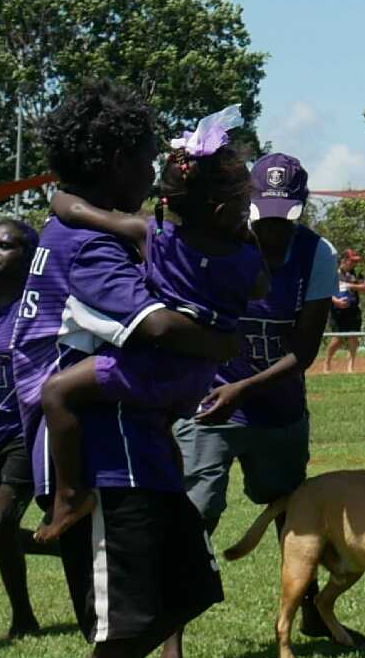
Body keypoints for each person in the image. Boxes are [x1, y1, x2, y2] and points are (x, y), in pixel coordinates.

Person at [0, 83, 237, 658]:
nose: (150, 170)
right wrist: (223, 341)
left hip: (135, 441)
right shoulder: (87, 246)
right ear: (112, 160)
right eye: (142, 155)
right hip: (102, 450)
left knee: (185, 590)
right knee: (123, 619)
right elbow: (152, 326)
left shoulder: (81, 223)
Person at [33, 126, 264, 552]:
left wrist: (59, 198)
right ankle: (175, 495)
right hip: (197, 378)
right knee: (161, 429)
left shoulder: (152, 236)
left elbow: (78, 211)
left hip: (151, 367)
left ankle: (68, 497)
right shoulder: (248, 259)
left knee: (57, 392)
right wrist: (238, 243)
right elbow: (260, 289)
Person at [160, 149, 339, 658]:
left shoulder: (316, 255)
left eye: (286, 217)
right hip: (210, 404)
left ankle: (306, 611)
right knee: (195, 514)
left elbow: (303, 352)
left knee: (292, 512)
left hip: (277, 409)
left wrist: (244, 388)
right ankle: (172, 645)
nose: (275, 229)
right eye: (265, 216)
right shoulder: (217, 248)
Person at [0, 216, 42, 638]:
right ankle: (23, 619)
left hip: (28, 432)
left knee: (0, 525)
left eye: (4, 246)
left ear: (28, 257)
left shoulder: (35, 309)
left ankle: (78, 549)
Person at [320, 248, 365, 370]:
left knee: (353, 338)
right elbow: (325, 291)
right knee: (338, 339)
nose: (354, 264)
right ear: (344, 260)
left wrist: (351, 285)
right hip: (338, 311)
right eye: (352, 261)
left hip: (353, 311)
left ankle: (350, 367)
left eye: (355, 261)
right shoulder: (333, 273)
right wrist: (336, 301)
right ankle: (327, 362)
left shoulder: (356, 274)